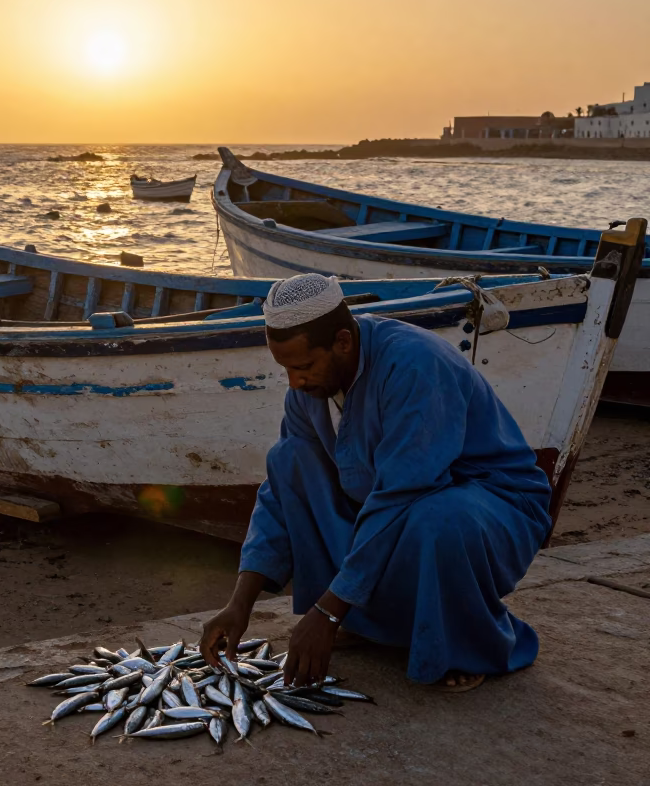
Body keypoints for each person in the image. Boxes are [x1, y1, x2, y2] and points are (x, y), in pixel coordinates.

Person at [198, 273, 552, 692]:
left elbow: (403, 493)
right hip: (402, 502)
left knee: (435, 517)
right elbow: (279, 494)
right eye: (286, 369)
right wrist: (239, 603)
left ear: (343, 343)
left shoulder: (414, 363)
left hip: (492, 506)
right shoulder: (307, 392)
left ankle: (466, 642)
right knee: (288, 458)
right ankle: (366, 620)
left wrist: (326, 613)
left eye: (303, 366)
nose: (294, 382)